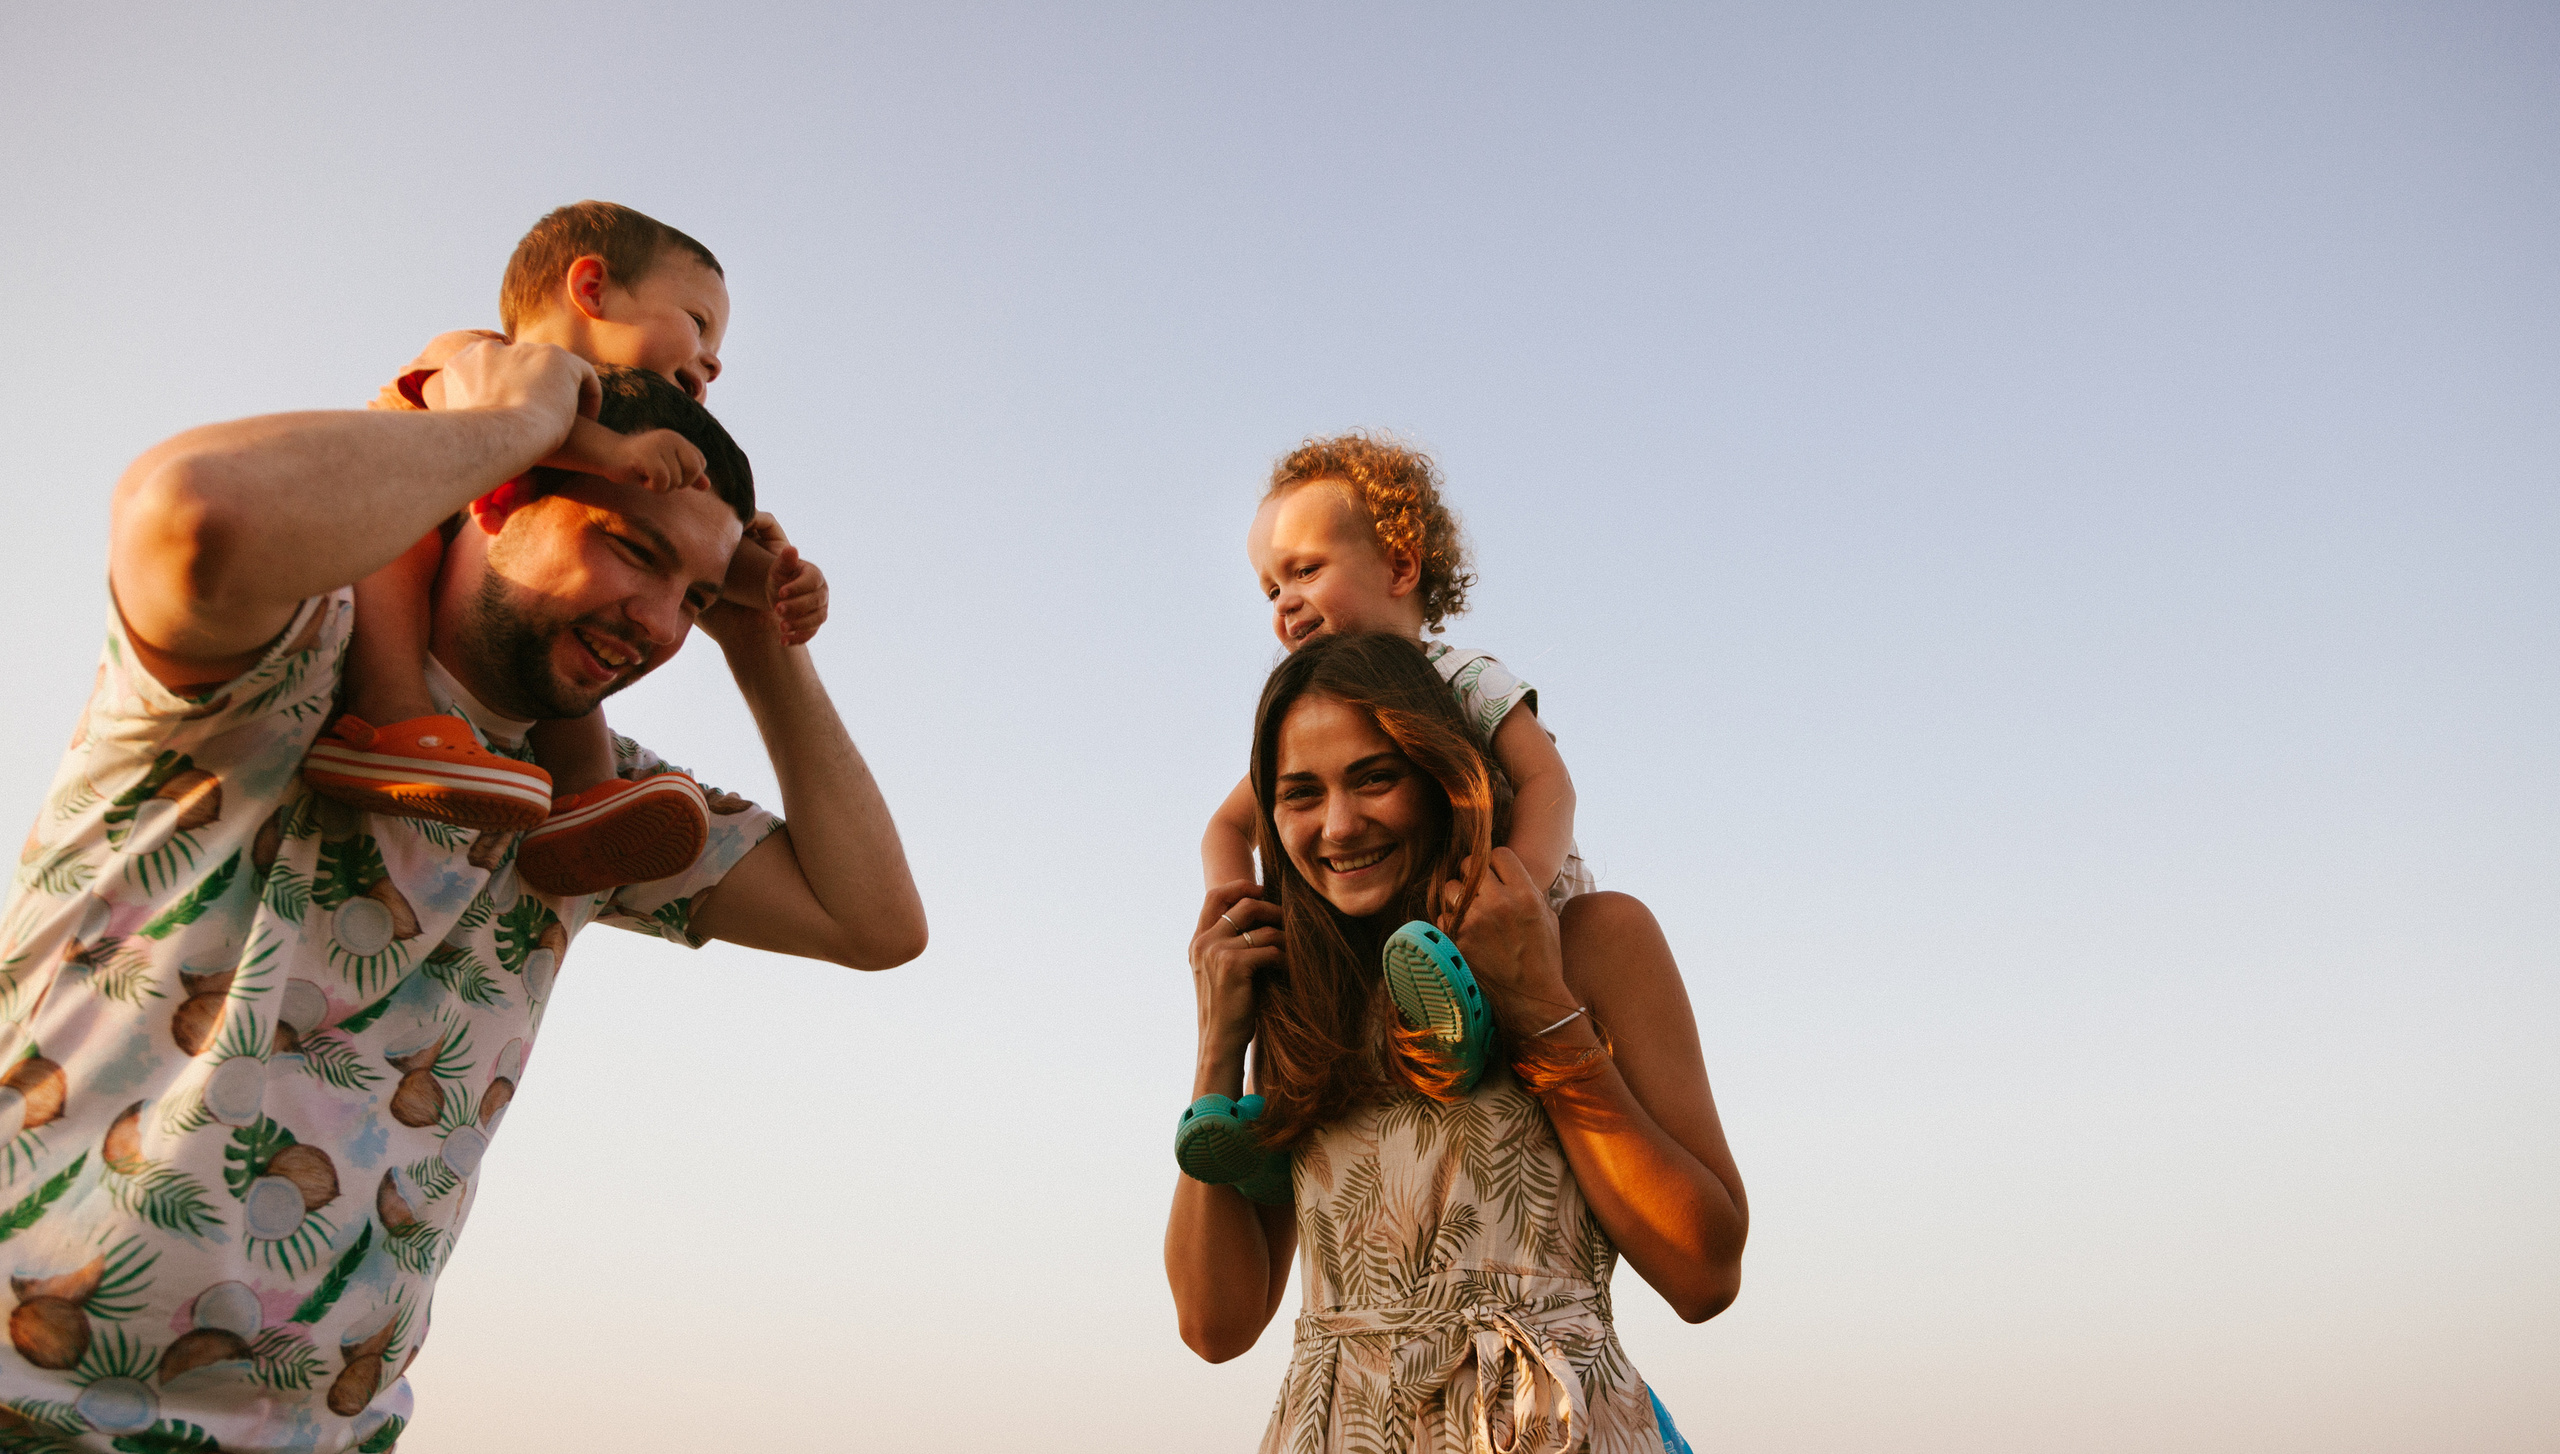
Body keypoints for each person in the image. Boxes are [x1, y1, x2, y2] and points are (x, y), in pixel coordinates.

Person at [0, 341, 924, 1450]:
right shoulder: (287, 660)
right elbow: (192, 512)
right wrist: (514, 424)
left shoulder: (599, 809)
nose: (659, 624)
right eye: (631, 549)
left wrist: (762, 642)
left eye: (692, 596)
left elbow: (872, 920)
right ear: (497, 497)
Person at [1165, 633, 1744, 1454]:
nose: (1339, 825)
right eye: (1300, 795)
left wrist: (1538, 1004)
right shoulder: (1303, 996)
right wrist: (1218, 1050)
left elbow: (1705, 1274)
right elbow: (1214, 1325)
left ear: (1442, 779)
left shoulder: (1594, 939)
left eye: (1375, 778)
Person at [310, 200, 815, 898]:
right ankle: (389, 715)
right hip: (394, 513)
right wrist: (611, 452)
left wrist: (776, 579)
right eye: (698, 323)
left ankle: (583, 798)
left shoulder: (620, 419)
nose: (714, 360)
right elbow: (500, 424)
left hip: (494, 571)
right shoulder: (482, 353)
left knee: (569, 644)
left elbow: (689, 540)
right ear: (591, 289)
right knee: (402, 549)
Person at [1202, 433, 1590, 912]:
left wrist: (1518, 887)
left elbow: (1547, 781)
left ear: (1400, 568)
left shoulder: (1463, 679)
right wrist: (1245, 921)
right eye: (1272, 591)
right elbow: (1226, 828)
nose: (1284, 602)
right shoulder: (1315, 724)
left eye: (1305, 571)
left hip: (1518, 919)